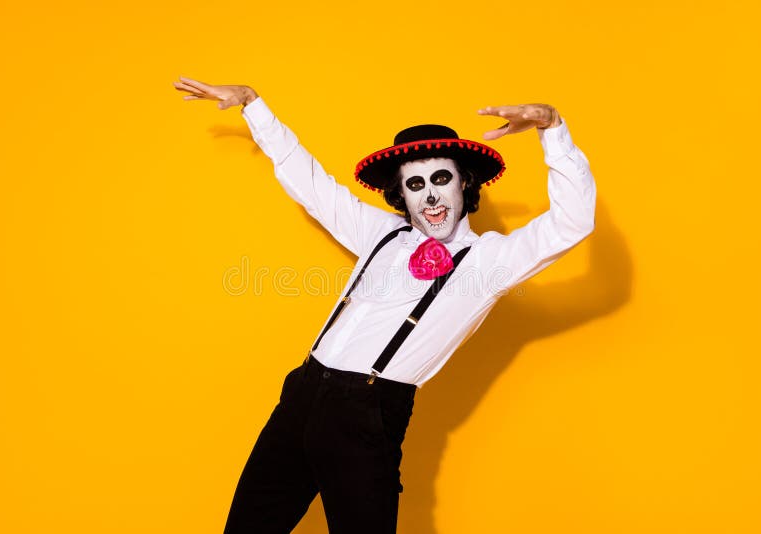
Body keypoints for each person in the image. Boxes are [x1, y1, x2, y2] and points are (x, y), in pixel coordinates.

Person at [173, 75, 596, 534]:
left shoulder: (490, 260)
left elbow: (571, 223)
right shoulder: (381, 233)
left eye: (440, 178)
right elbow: (313, 185)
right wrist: (253, 105)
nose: (430, 194)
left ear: (463, 184)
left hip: (367, 415)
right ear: (403, 196)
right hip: (302, 393)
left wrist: (552, 130)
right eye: (415, 184)